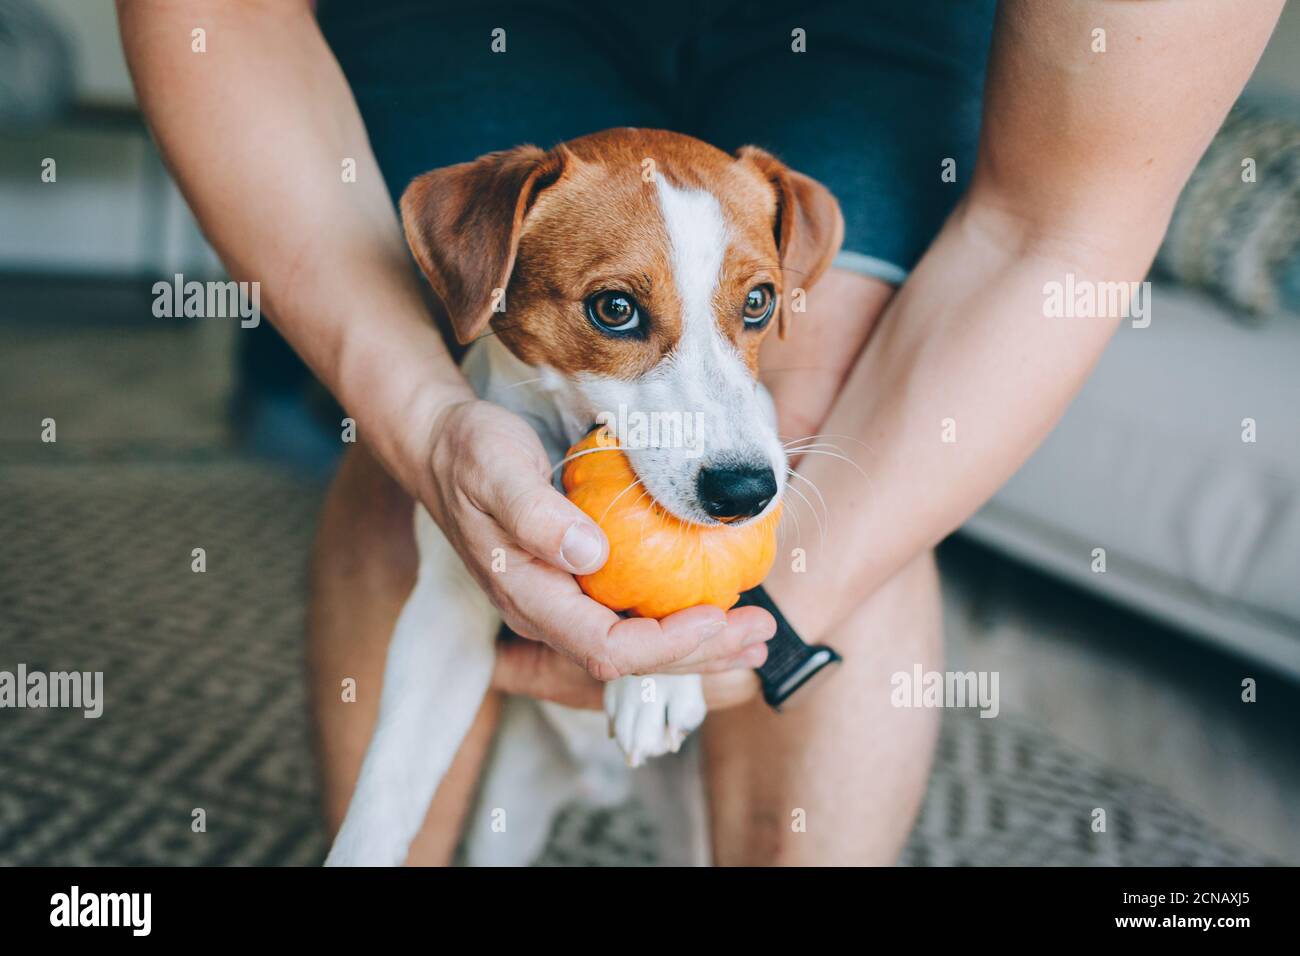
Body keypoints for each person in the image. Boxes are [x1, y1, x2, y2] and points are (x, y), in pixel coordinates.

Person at [118, 0, 1284, 865]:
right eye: (620, 314)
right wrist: (421, 425)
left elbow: (1057, 231)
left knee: (831, 440)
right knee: (419, 448)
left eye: (755, 305)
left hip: (859, 30)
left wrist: (769, 627)